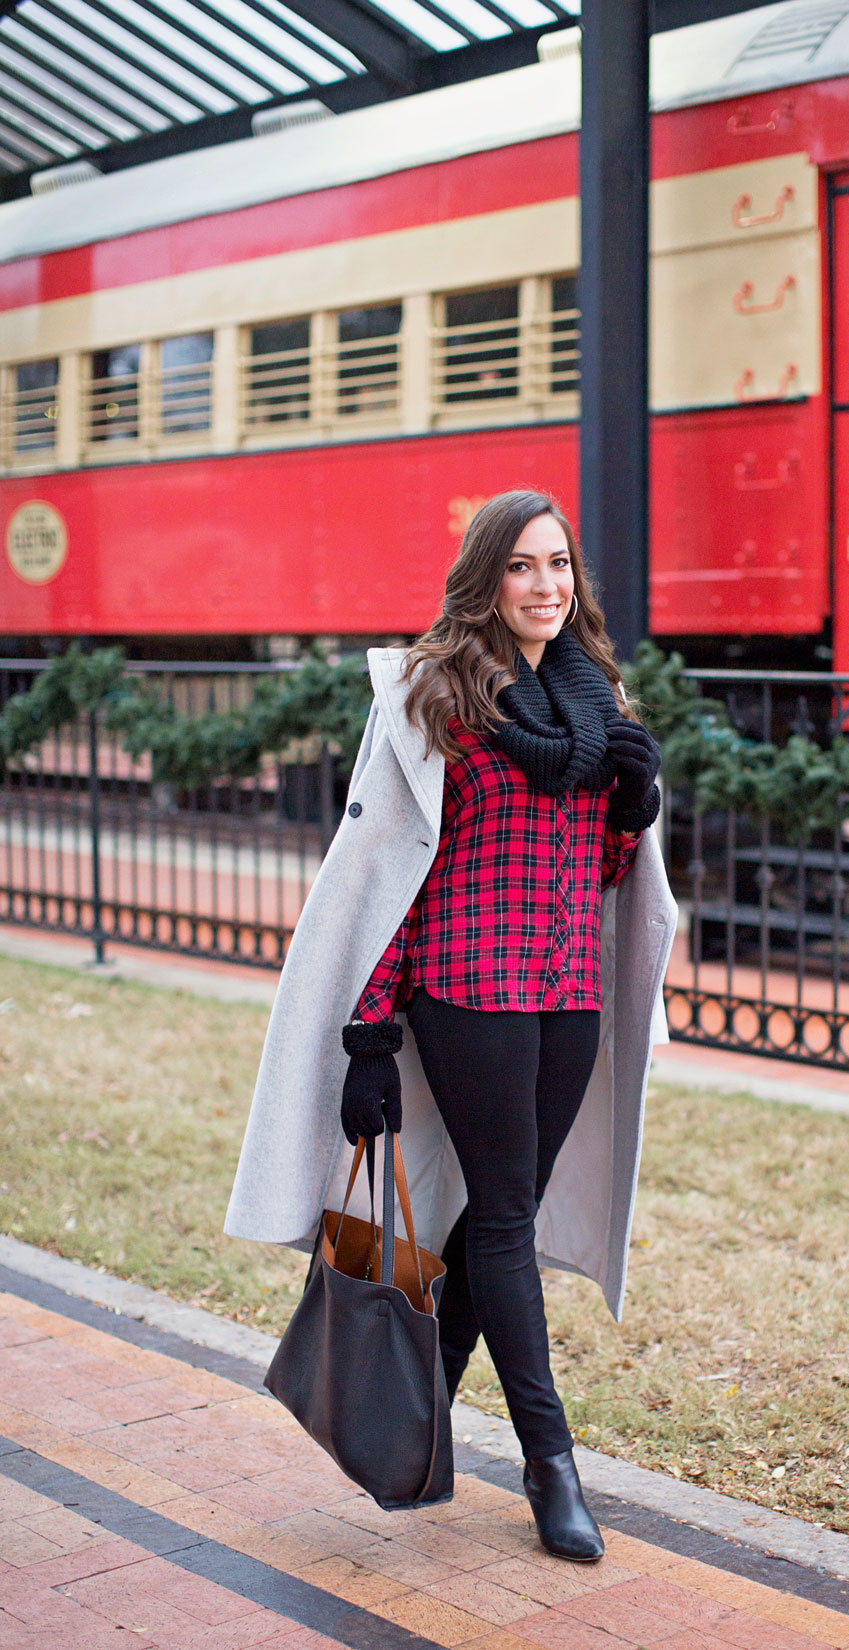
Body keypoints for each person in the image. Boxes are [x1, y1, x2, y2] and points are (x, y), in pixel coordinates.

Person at [225, 489, 677, 1563]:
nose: (545, 585)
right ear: (485, 579)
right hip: (467, 990)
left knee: (493, 1215)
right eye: (521, 566)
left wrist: (631, 804)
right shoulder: (434, 694)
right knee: (507, 1216)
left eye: (558, 564)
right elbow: (395, 873)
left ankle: (415, 1413)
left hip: (567, 992)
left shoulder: (597, 694)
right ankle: (551, 1465)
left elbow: (600, 865)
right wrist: (370, 1035)